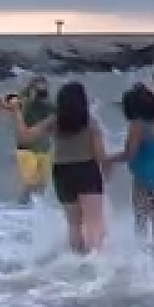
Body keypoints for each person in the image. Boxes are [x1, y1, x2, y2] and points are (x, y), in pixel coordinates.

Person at [11, 81, 108, 254]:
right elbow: (100, 156)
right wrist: (109, 169)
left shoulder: (54, 121)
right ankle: (97, 263)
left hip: (62, 173)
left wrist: (17, 112)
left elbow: (24, 138)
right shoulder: (91, 122)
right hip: (86, 170)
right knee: (94, 221)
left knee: (74, 223)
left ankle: (78, 260)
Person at [109, 83, 154, 245]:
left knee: (141, 219)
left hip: (145, 176)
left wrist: (107, 159)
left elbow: (129, 154)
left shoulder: (138, 126)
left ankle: (141, 258)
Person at [0, 75, 54, 202]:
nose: (42, 94)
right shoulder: (22, 101)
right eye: (39, 91)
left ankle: (34, 212)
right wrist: (1, 106)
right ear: (31, 90)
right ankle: (23, 208)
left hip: (45, 149)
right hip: (26, 149)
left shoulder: (50, 105)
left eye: (44, 91)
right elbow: (0, 101)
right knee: (30, 183)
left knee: (42, 186)